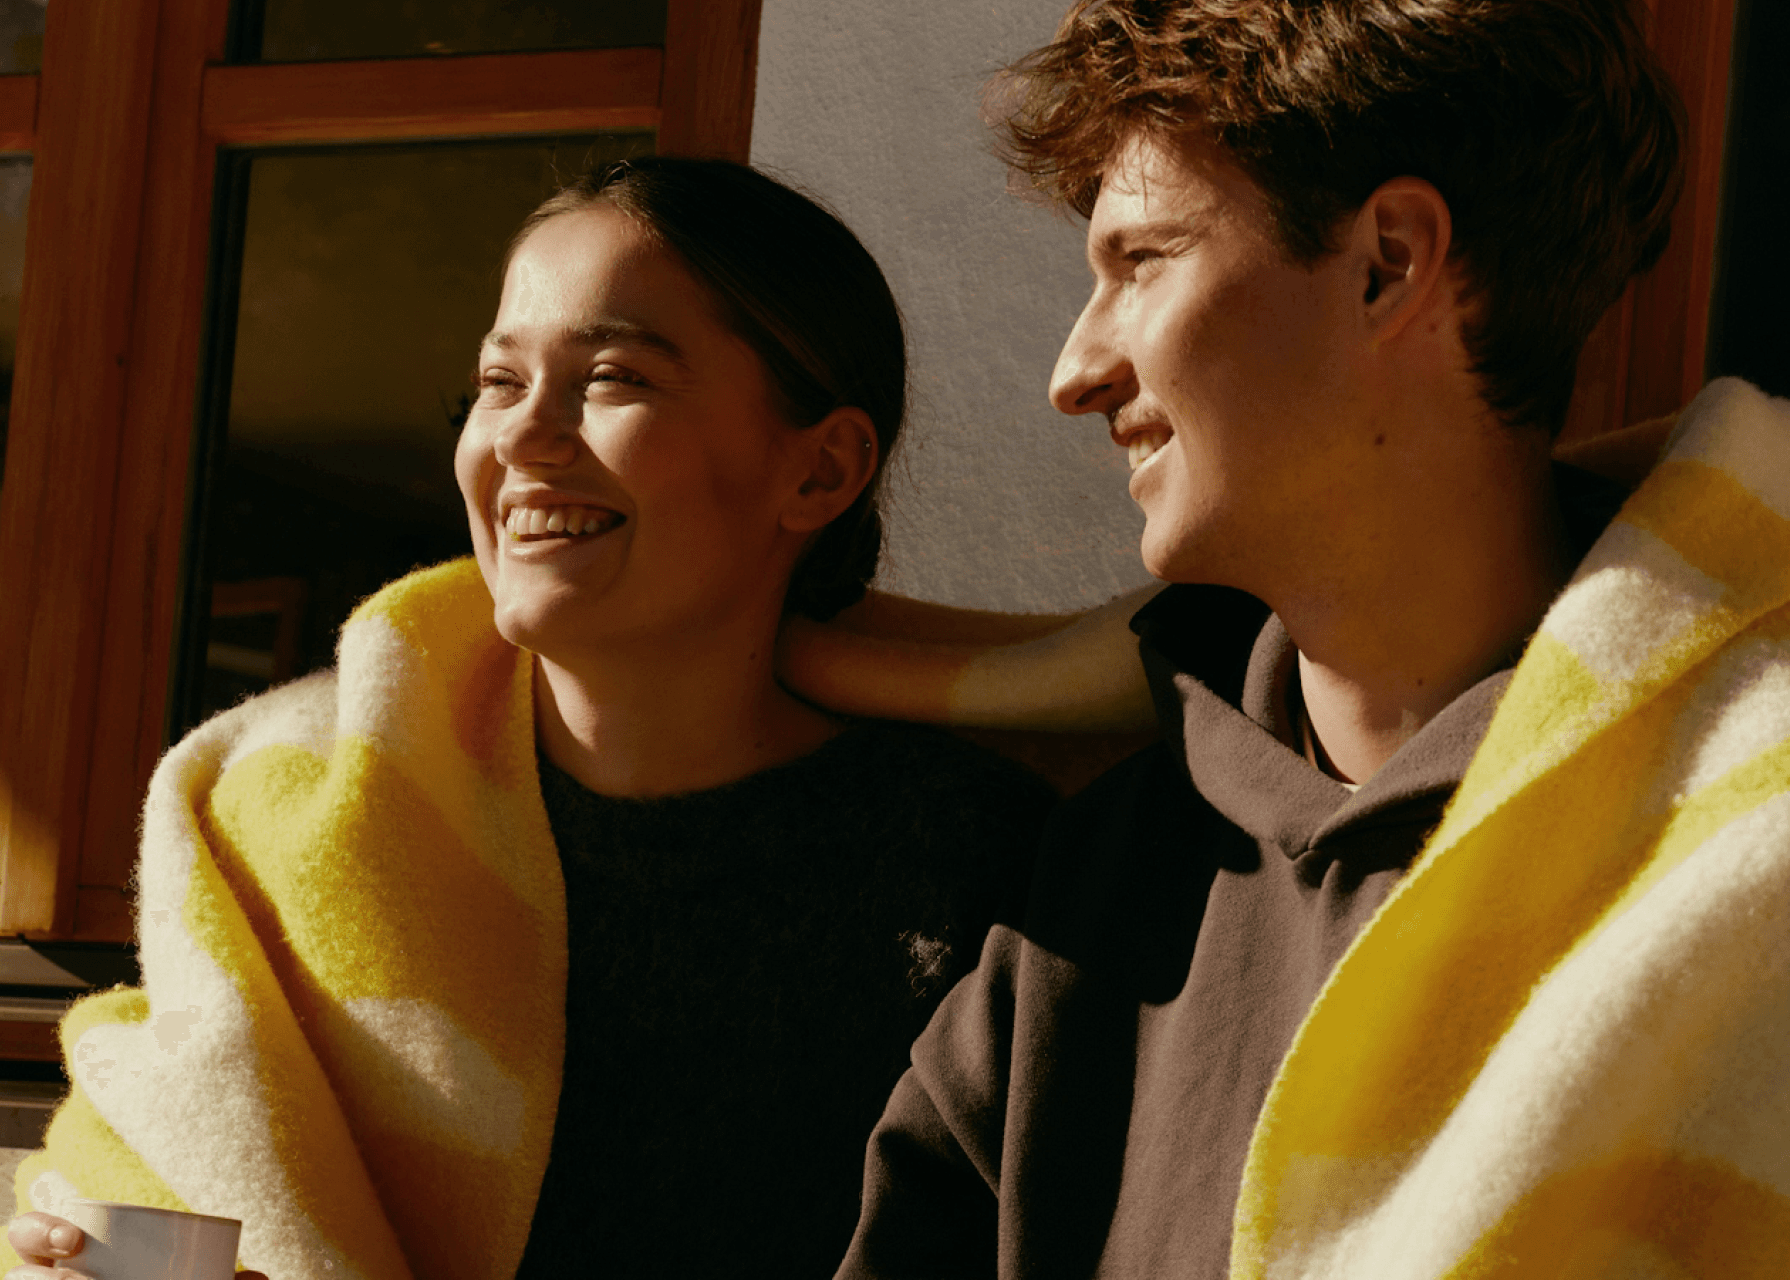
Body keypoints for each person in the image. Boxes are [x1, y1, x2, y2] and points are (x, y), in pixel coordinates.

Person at [829, 1, 1790, 1276]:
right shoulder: (1098, 895)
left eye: (1141, 261)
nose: (1073, 366)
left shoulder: (1744, 847)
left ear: (1388, 261)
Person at [2, 157, 1054, 1280]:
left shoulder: (986, 868)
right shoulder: (291, 813)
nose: (522, 438)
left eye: (610, 378)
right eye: (499, 384)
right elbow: (165, 1157)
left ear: (820, 468)